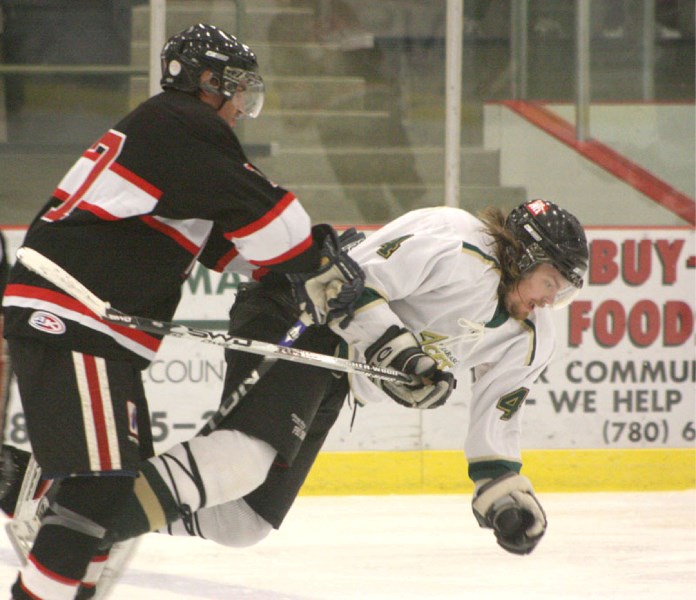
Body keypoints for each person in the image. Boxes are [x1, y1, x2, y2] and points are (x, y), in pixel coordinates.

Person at [1, 23, 365, 600]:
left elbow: (238, 245)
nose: (243, 105)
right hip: (73, 314)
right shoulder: (183, 124)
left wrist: (289, 267)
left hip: (86, 322)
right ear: (206, 81)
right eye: (237, 88)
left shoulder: (171, 140)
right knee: (98, 490)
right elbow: (275, 228)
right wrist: (316, 261)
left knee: (109, 495)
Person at [50, 198, 584, 581]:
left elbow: (497, 423)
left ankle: (63, 498)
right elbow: (343, 284)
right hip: (298, 312)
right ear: (523, 256)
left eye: (560, 296)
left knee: (242, 522)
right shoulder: (458, 243)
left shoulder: (530, 335)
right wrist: (402, 353)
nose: (549, 301)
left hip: (341, 365)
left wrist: (504, 498)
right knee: (243, 458)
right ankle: (78, 528)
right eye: (550, 285)